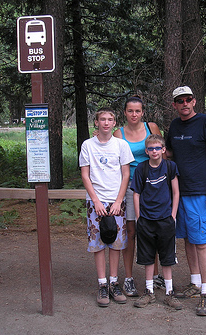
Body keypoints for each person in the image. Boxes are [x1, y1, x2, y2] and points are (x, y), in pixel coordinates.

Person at [165, 86, 206, 316]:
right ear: (175, 105)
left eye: (188, 99)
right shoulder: (175, 126)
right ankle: (195, 282)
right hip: (180, 192)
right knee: (188, 238)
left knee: (202, 242)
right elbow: (168, 153)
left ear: (195, 101)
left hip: (201, 192)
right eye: (180, 101)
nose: (185, 104)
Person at [79, 107, 134, 307]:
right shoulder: (87, 145)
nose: (106, 123)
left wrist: (119, 200)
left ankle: (114, 282)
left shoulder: (121, 145)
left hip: (116, 199)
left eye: (110, 119)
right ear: (96, 122)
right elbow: (85, 175)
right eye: (102, 119)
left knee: (116, 241)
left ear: (114, 123)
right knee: (98, 242)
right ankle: (102, 284)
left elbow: (126, 174)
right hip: (96, 201)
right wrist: (96, 201)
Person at [112, 96, 164, 296]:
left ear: (143, 112)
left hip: (154, 186)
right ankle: (129, 278)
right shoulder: (119, 133)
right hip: (130, 187)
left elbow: (163, 154)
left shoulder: (151, 128)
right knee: (131, 232)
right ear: (124, 112)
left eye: (138, 111)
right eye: (130, 111)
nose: (134, 114)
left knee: (155, 231)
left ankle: (157, 275)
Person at [130, 134, 183, 310]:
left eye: (157, 148)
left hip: (165, 219)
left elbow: (176, 192)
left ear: (163, 150)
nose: (154, 151)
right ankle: (149, 291)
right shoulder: (141, 169)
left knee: (167, 257)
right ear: (146, 151)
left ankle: (169, 293)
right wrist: (139, 217)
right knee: (147, 256)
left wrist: (173, 215)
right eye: (151, 148)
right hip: (146, 219)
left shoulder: (170, 167)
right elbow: (136, 193)